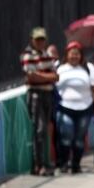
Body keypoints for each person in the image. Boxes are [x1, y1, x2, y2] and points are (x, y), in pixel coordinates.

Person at [54, 41, 94, 174]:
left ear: (81, 56)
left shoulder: (88, 68)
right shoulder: (59, 68)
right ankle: (63, 163)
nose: (74, 56)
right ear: (67, 55)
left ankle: (76, 164)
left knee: (79, 139)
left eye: (77, 54)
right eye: (72, 54)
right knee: (66, 136)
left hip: (84, 109)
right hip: (65, 107)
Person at [21, 27, 59, 176]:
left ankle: (45, 162)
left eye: (42, 39)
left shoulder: (46, 54)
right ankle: (39, 164)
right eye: (37, 40)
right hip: (36, 94)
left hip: (48, 94)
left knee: (45, 129)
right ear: (32, 40)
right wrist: (47, 76)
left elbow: (56, 76)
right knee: (40, 129)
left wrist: (41, 75)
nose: (40, 42)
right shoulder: (28, 55)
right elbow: (31, 77)